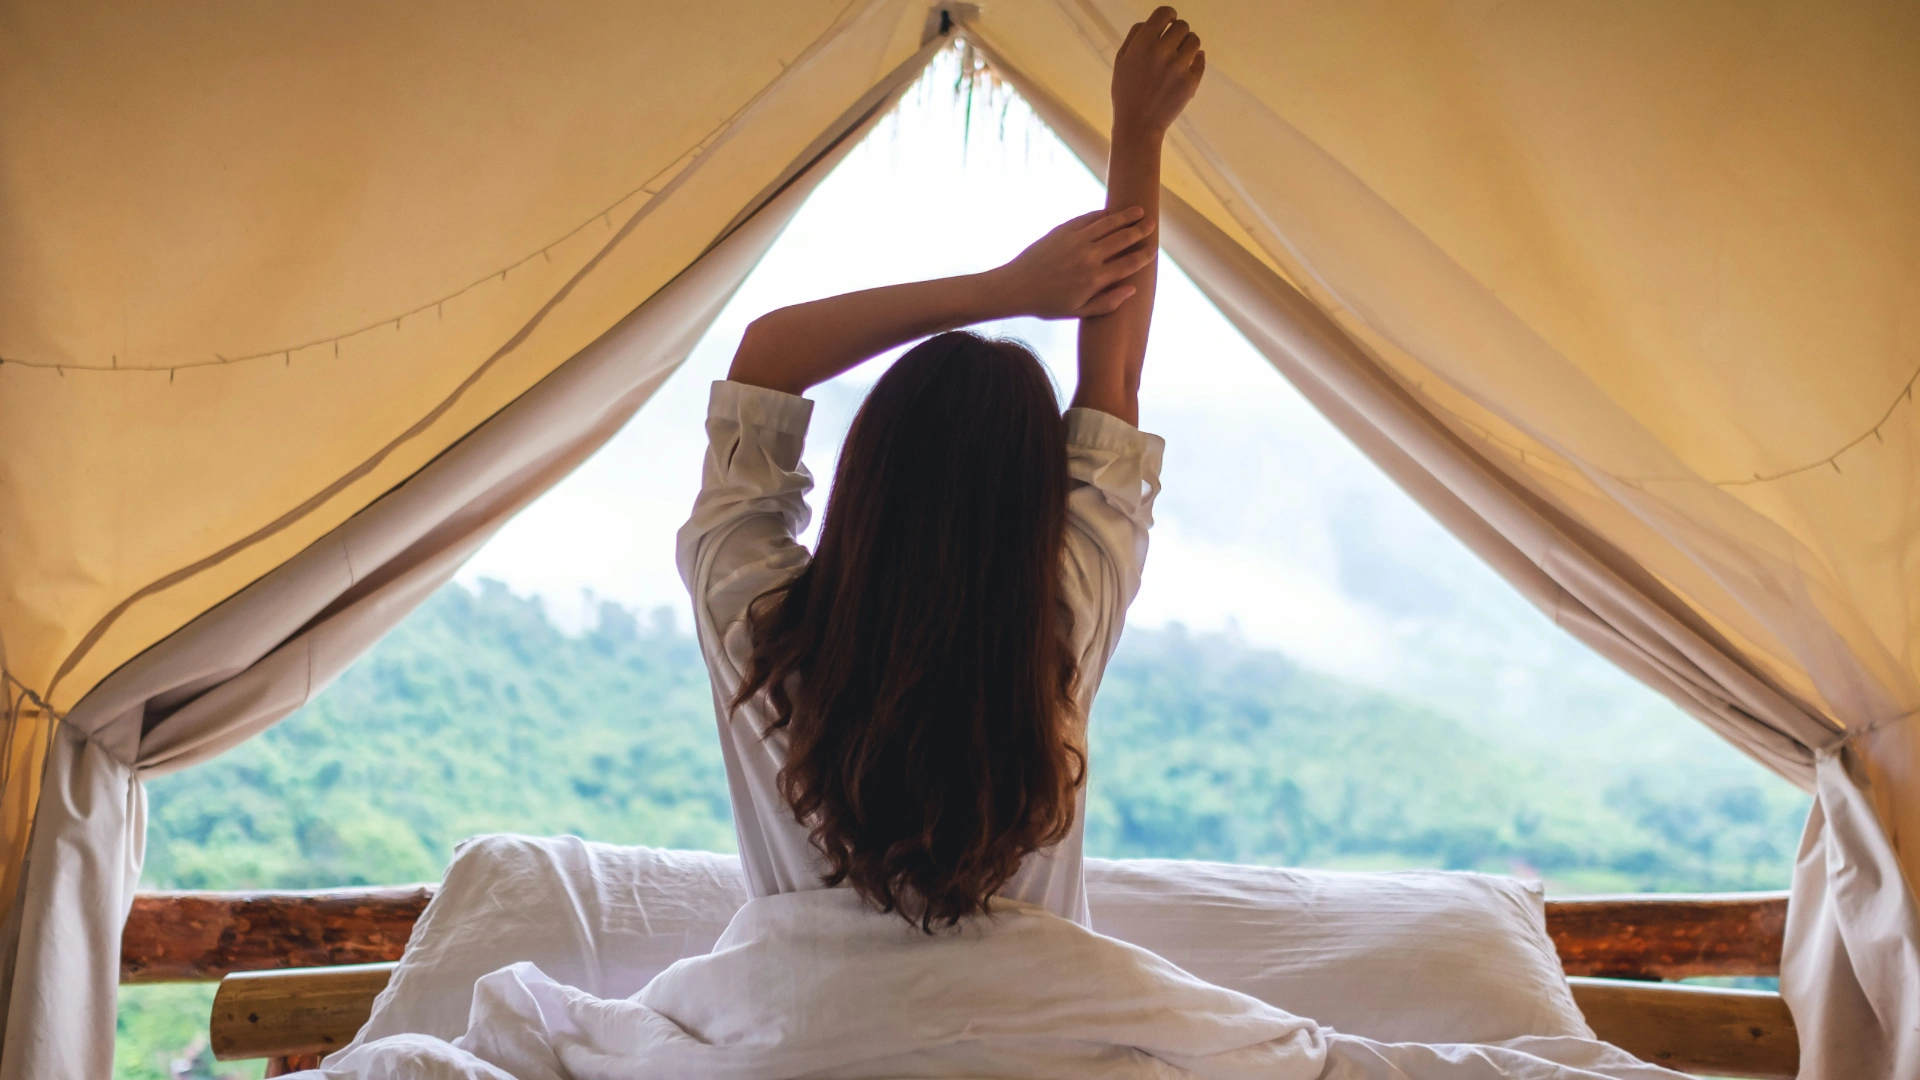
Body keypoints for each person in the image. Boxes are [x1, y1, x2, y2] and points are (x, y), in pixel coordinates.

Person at [678, 8, 1204, 932]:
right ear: (1037, 507)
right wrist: (1139, 132)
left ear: (868, 480)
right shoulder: (1064, 628)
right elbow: (1112, 378)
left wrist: (1009, 288)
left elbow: (765, 358)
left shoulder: (757, 626)